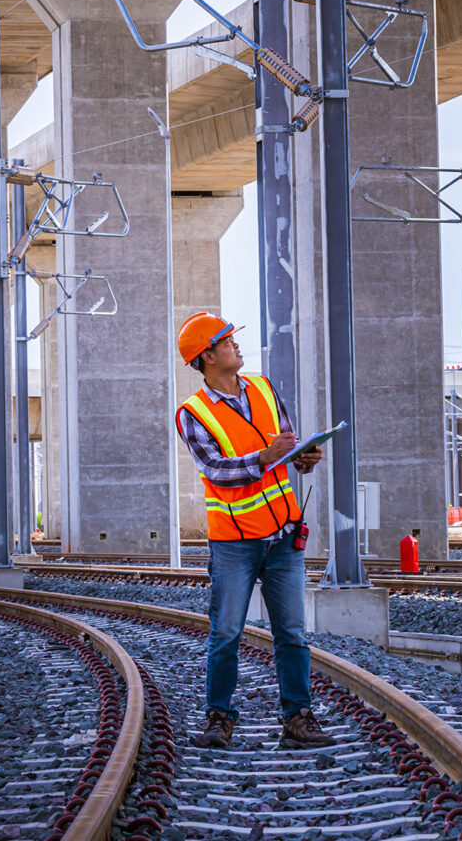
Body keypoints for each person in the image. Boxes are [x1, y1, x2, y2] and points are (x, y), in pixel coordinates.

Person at [173, 311, 336, 750]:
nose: (236, 346)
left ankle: (297, 719)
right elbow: (216, 470)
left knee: (293, 634)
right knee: (226, 633)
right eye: (227, 341)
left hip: (283, 535)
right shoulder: (193, 413)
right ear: (207, 356)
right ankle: (219, 718)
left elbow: (284, 445)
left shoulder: (263, 388)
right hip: (234, 543)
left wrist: (302, 456)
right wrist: (266, 457)